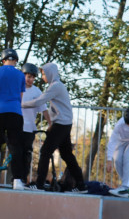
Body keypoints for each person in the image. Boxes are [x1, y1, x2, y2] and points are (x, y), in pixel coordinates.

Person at [21, 63, 85, 192]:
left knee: (45, 152)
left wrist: (20, 104)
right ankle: (81, 185)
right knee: (67, 155)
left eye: (44, 74)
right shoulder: (56, 86)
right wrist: (51, 124)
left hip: (61, 124)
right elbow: (52, 109)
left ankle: (39, 185)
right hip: (64, 123)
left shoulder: (55, 86)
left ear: (50, 73)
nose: (42, 77)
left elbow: (39, 101)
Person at [0, 48, 27, 190]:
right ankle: (17, 181)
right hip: (15, 112)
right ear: (15, 60)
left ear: (3, 60)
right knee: (15, 147)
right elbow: (20, 96)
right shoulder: (21, 75)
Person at [19, 63, 44, 185]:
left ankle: (23, 179)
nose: (30, 79)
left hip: (29, 128)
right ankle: (15, 178)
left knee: (26, 154)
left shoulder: (37, 91)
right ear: (22, 75)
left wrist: (50, 123)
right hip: (16, 126)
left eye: (33, 77)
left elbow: (44, 108)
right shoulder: (17, 88)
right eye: (28, 76)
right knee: (16, 153)